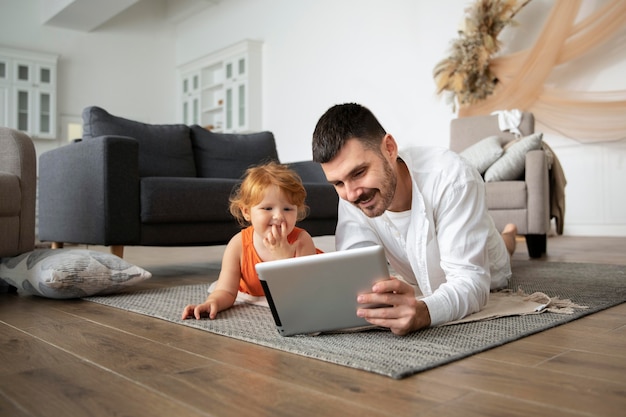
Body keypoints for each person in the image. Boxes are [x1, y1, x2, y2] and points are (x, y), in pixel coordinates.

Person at [312, 103, 518, 335]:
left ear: (389, 148)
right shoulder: (352, 195)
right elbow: (355, 270)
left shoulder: (453, 177)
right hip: (418, 273)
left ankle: (510, 235)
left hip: (492, 266)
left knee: (503, 250)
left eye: (359, 173)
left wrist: (424, 312)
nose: (351, 194)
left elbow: (471, 281)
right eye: (338, 183)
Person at [181, 161, 319, 320]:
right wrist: (212, 302)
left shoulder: (302, 241)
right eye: (267, 208)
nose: (279, 216)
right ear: (247, 212)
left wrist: (284, 258)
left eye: (288, 209)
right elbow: (226, 291)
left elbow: (304, 294)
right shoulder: (238, 245)